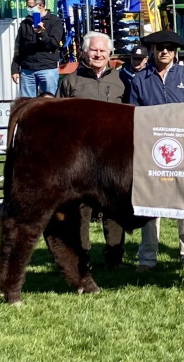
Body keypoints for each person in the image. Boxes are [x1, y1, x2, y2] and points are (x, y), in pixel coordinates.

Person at [130, 30, 184, 271]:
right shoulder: (139, 79)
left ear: (175, 52)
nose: (165, 51)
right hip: (150, 151)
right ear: (152, 50)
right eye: (160, 47)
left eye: (169, 48)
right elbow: (133, 115)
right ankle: (147, 257)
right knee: (149, 204)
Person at [57, 32, 129, 269]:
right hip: (81, 157)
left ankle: (115, 257)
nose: (98, 54)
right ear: (85, 52)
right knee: (80, 209)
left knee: (115, 206)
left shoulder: (122, 80)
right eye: (94, 50)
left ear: (110, 54)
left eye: (103, 51)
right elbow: (60, 120)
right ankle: (81, 257)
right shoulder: (70, 81)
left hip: (113, 156)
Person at [11, 0, 65, 97]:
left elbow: (53, 44)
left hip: (47, 68)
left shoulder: (55, 21)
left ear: (40, 5)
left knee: (49, 103)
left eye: (30, 6)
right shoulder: (25, 23)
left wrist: (42, 33)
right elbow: (18, 47)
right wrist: (15, 68)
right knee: (27, 104)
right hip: (27, 70)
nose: (28, 9)